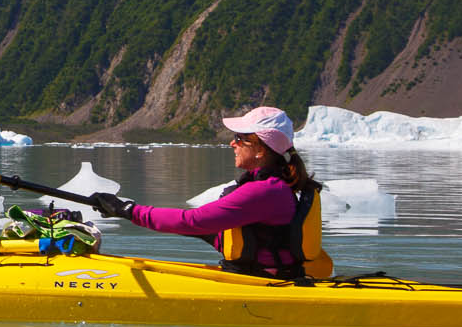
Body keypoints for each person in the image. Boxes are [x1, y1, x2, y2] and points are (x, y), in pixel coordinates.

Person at [88, 105, 332, 279]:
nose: (232, 143)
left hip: (263, 282)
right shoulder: (274, 187)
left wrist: (128, 210)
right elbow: (229, 233)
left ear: (260, 149)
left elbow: (193, 220)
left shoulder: (265, 192)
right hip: (261, 275)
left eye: (239, 138)